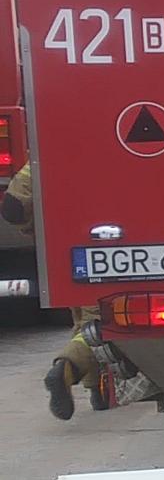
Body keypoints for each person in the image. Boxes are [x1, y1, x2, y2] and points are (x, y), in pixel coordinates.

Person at [1, 165, 106, 420]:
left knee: (84, 316)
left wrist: (39, 228)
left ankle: (98, 392)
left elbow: (13, 207)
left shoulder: (43, 154)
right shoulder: (101, 147)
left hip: (60, 242)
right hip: (103, 239)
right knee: (104, 319)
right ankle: (68, 367)